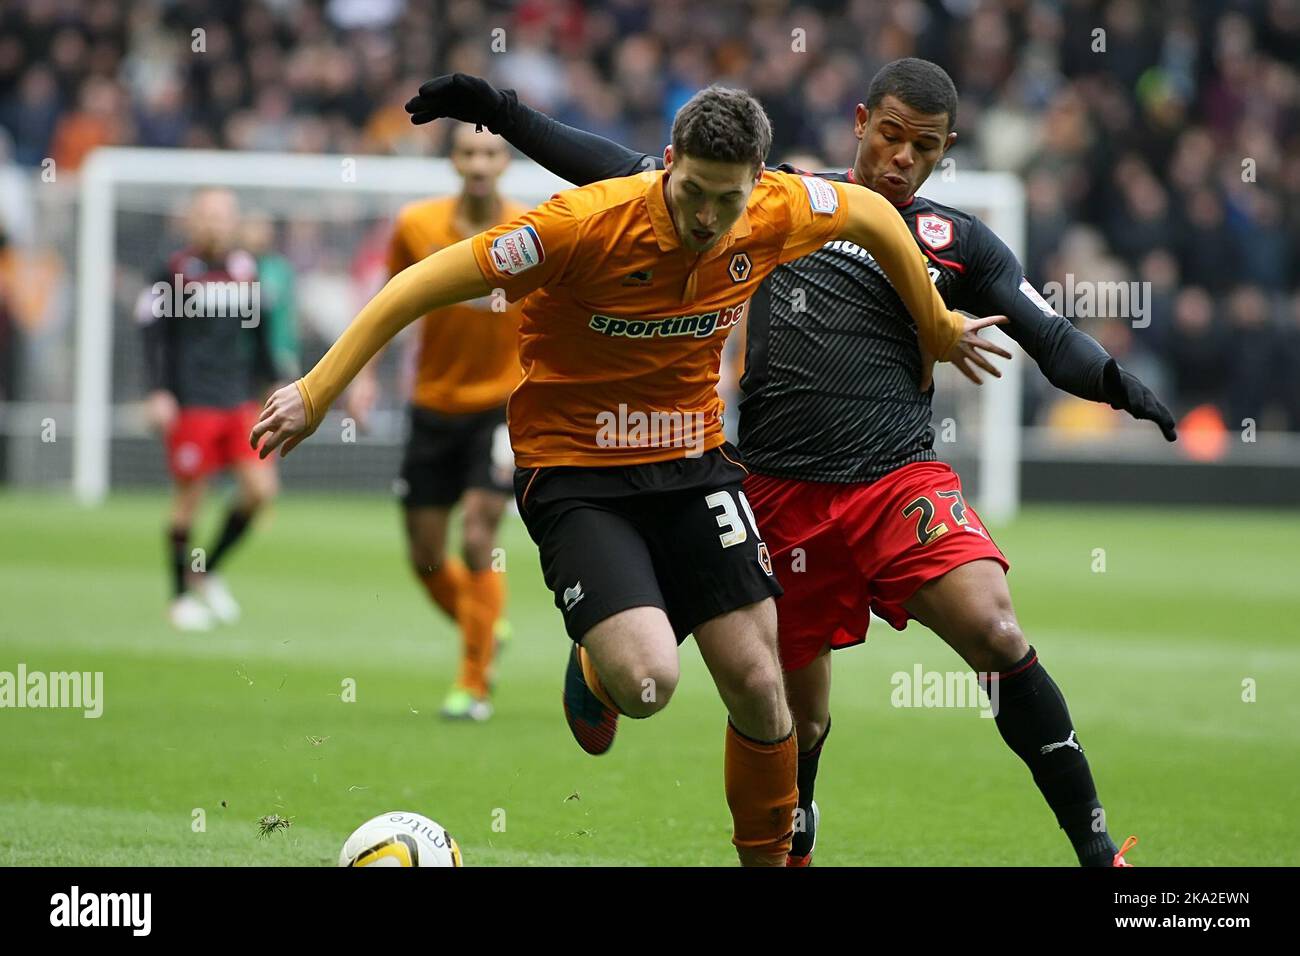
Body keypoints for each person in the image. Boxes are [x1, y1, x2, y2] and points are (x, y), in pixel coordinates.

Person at [403, 61, 1177, 866]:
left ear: (946, 151)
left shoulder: (959, 241)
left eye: (924, 146)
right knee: (796, 721)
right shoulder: (772, 199)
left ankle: (1096, 851)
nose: (902, 157)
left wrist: (1118, 384)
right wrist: (502, 111)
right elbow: (613, 170)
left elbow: (1045, 333)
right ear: (860, 122)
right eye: (890, 135)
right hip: (777, 491)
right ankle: (642, 681)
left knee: (997, 628)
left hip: (896, 483)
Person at [252, 85, 998, 866]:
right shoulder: (577, 227)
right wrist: (316, 390)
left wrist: (937, 322)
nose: (708, 218)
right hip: (576, 469)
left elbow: (874, 217)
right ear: (668, 164)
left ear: (757, 185)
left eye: (728, 199)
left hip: (693, 461)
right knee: (649, 683)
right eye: (693, 193)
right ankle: (598, 669)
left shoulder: (781, 206)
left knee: (757, 679)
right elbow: (415, 285)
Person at [346, 126, 526, 721]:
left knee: (478, 536)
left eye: (490, 153)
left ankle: (473, 684)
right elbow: (387, 304)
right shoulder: (416, 226)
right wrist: (365, 375)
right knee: (425, 555)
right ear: (454, 161)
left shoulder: (533, 229)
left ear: (505, 161)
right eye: (469, 152)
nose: (479, 162)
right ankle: (484, 625)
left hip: (501, 408)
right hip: (432, 405)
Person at [139, 188, 294, 631]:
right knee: (189, 501)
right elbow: (152, 335)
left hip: (238, 401)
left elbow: (262, 338)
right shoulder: (173, 271)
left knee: (260, 491)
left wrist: (278, 384)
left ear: (234, 223)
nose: (214, 224)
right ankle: (178, 599)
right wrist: (158, 391)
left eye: (222, 216)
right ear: (192, 221)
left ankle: (205, 571)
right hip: (192, 403)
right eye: (206, 215)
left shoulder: (248, 271)